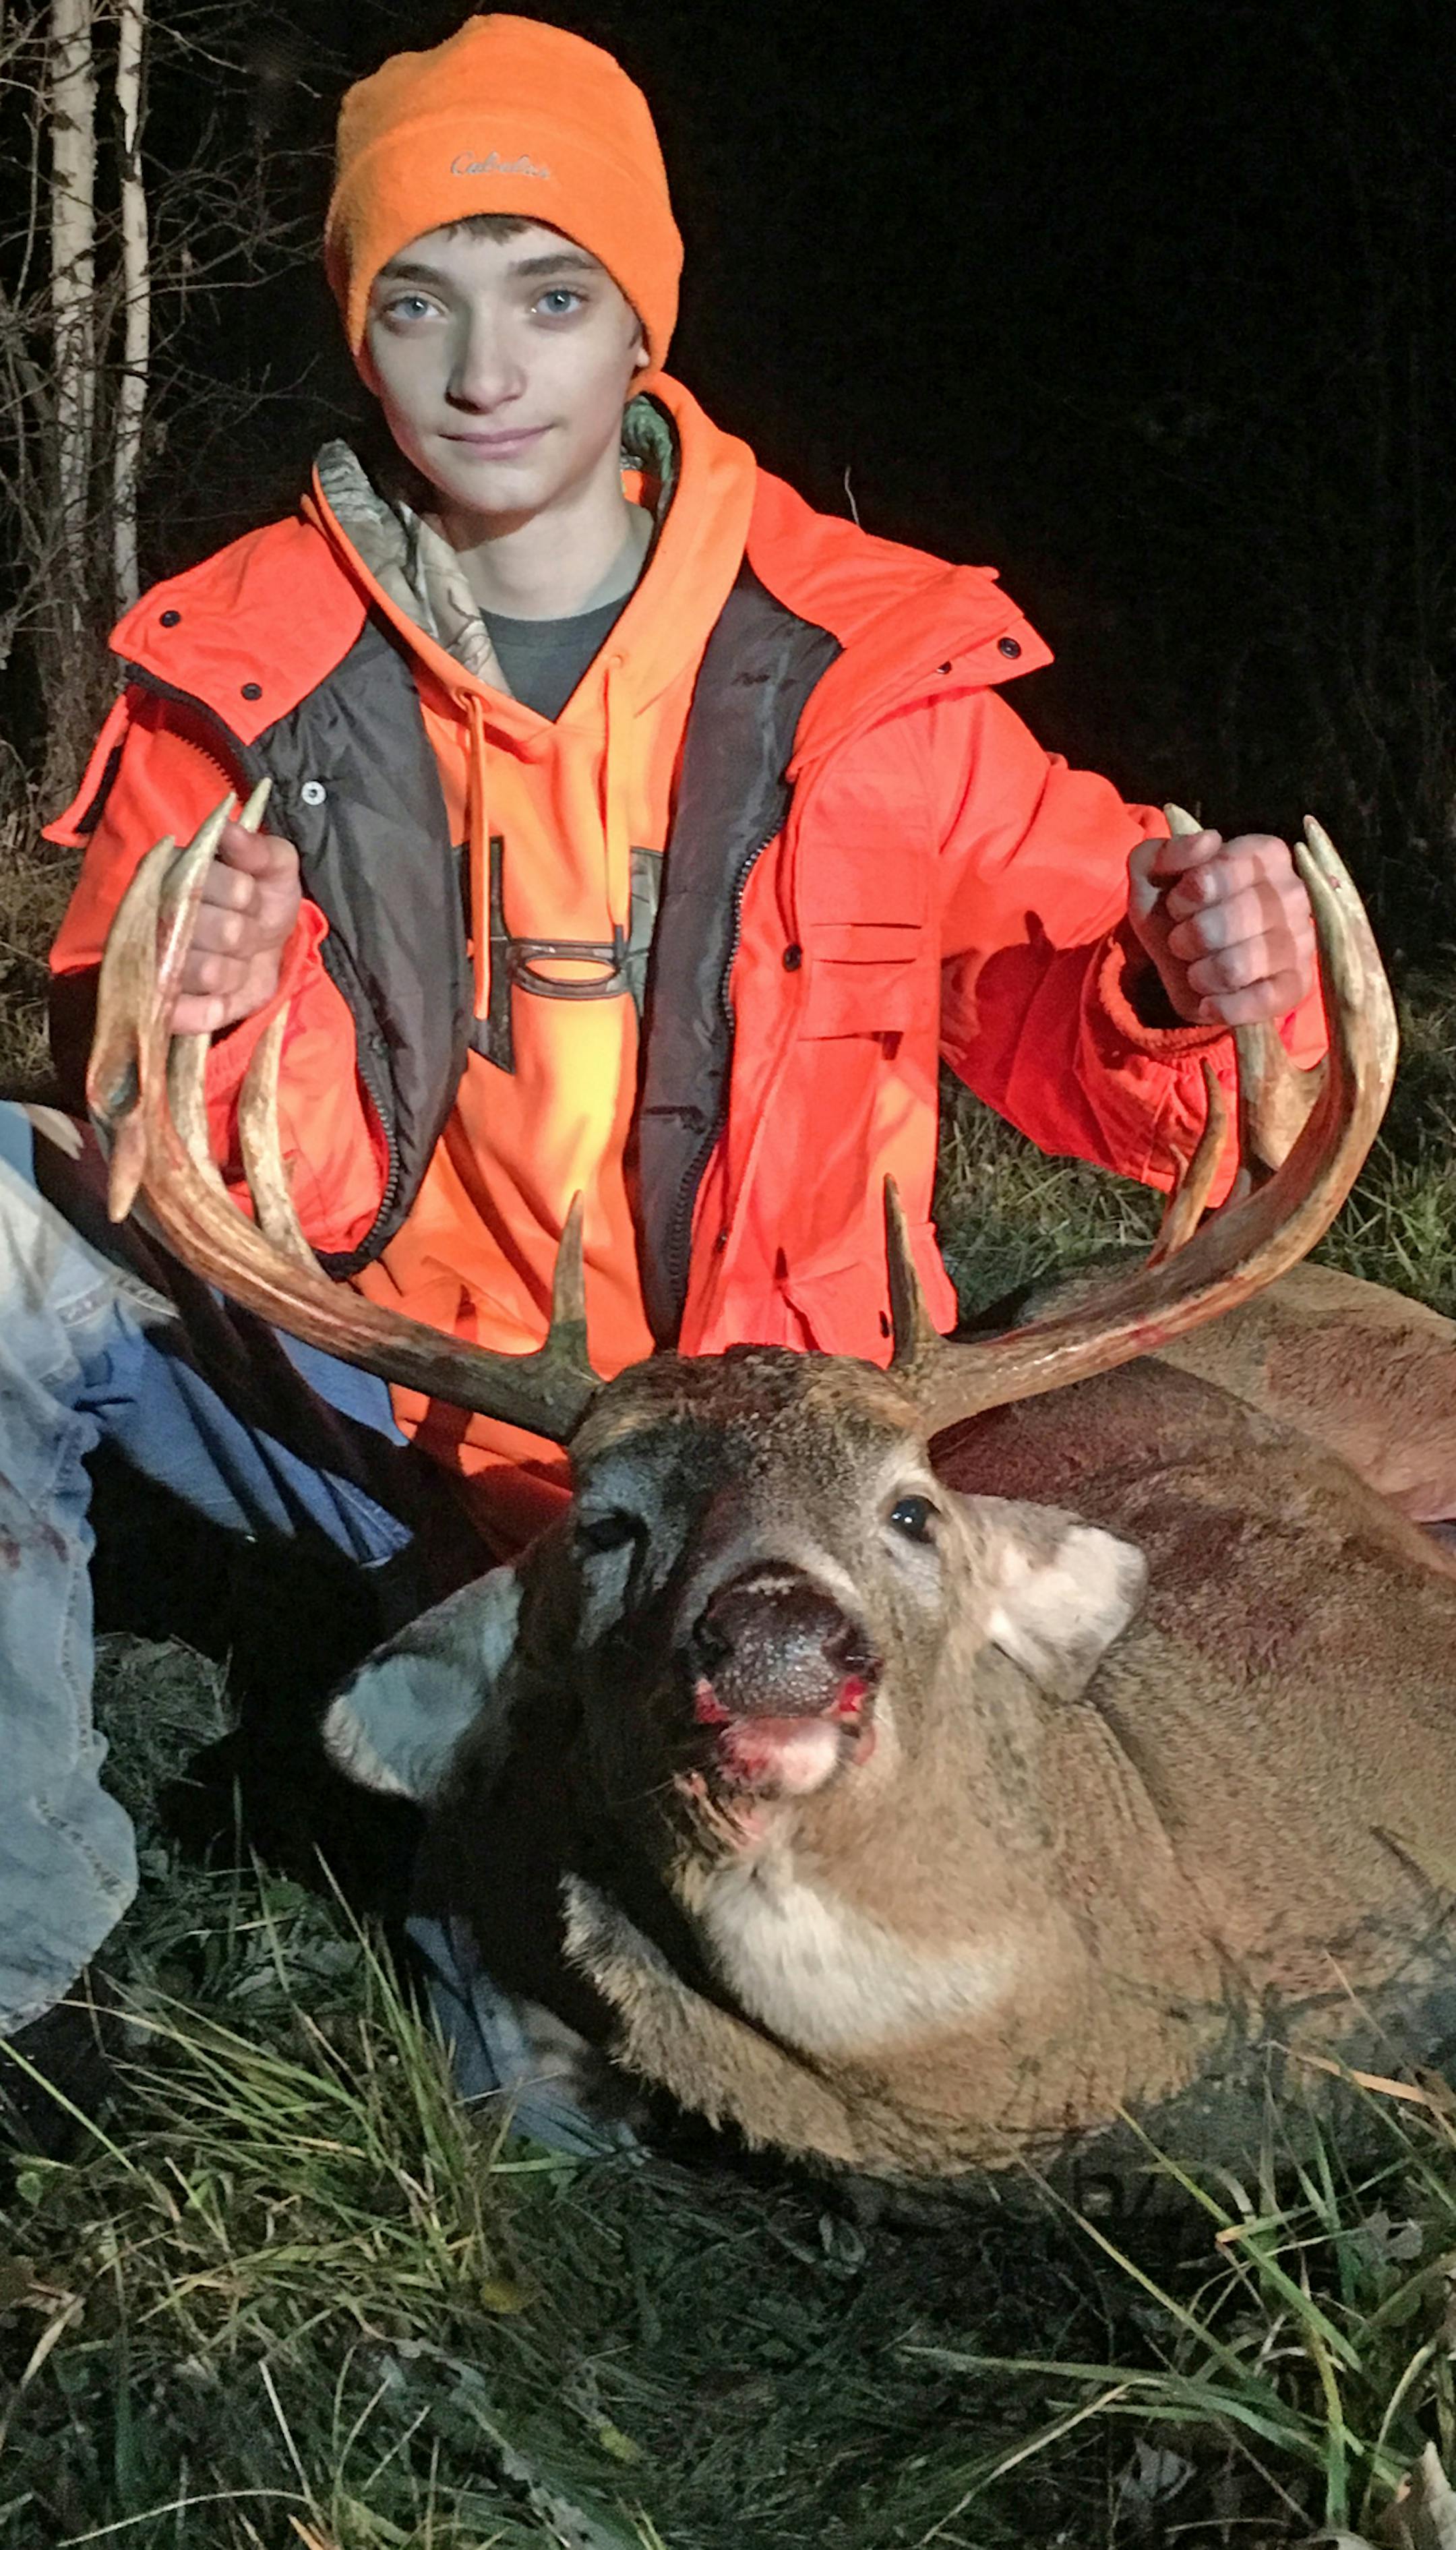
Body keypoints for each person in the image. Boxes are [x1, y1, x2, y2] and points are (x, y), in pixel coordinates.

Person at [1, 11, 1321, 2148]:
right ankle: (22, 1966)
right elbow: (215, 1163)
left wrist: (1193, 984)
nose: (485, 366)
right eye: (416, 301)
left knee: (570, 2100)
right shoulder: (233, 678)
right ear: (362, 332)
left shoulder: (873, 670)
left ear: (642, 321)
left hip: (774, 1458)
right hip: (405, 1414)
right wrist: (201, 1016)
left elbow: (1112, 1072)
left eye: (552, 294)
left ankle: (535, 1828)